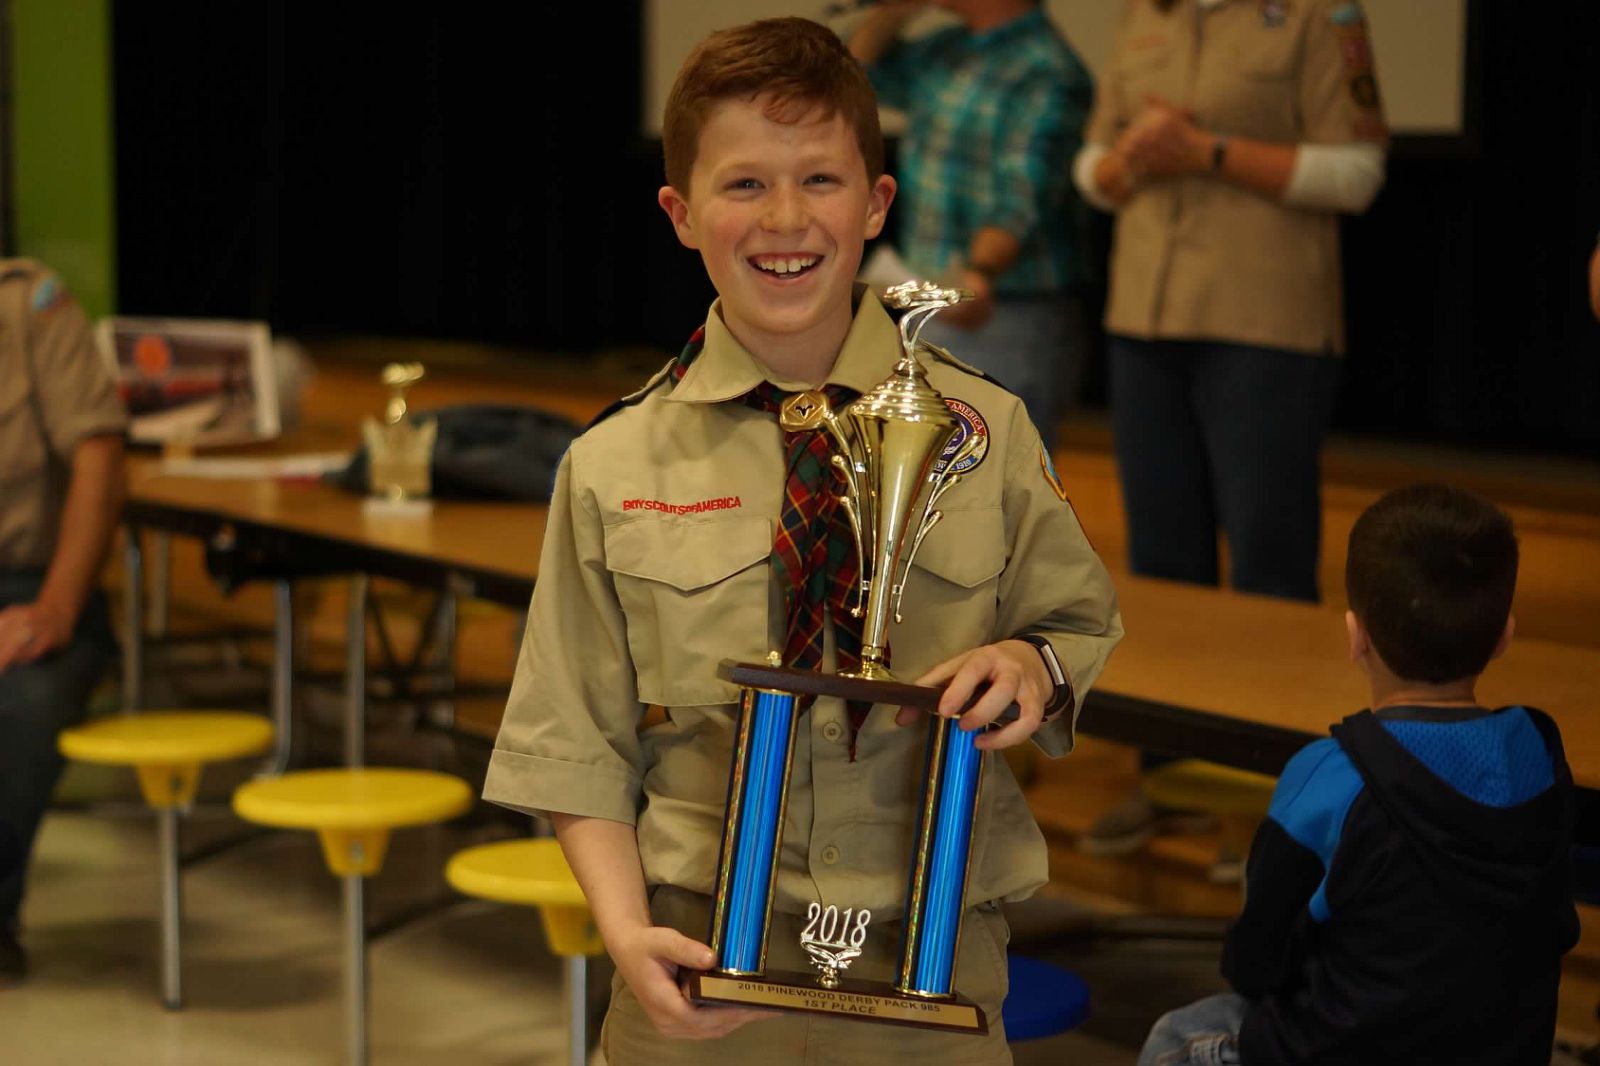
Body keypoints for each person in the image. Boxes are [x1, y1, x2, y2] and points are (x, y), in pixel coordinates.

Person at [483, 17, 1122, 1064]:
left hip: (935, 962)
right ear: (680, 214)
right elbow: (572, 740)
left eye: (821, 180)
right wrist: (622, 929)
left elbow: (1074, 622)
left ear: (876, 202)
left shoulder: (986, 429)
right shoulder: (612, 463)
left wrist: (1026, 665)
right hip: (696, 968)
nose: (785, 219)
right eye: (743, 186)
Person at [1073, 0, 1389, 857]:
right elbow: (1090, 165)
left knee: (1267, 568)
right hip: (1143, 318)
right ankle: (1166, 782)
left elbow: (1357, 173)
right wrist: (1126, 161)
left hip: (1267, 326)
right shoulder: (1144, 17)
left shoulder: (1322, 17)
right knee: (1161, 571)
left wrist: (1206, 151)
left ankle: (1272, 812)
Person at [1140, 484, 1578, 1066]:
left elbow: (1255, 964)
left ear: (1356, 636)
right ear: (1504, 637)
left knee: (1175, 1037)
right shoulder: (1540, 752)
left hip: (1337, 1049)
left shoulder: (1329, 779)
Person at [849, 0, 1093, 449]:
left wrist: (980, 272)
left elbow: (1025, 191)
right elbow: (854, 78)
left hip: (1005, 311)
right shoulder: (947, 50)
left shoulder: (1047, 69)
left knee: (992, 478)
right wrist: (890, 13)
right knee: (929, 479)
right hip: (933, 298)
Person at [0, 260, 127, 982]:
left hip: (31, 583)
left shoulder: (30, 307)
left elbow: (99, 454)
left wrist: (54, 606)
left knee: (24, 701)